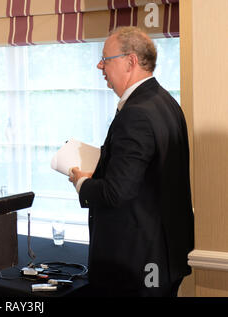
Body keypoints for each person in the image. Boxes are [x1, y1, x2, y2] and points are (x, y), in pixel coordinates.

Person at [68, 26, 194, 297]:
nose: (100, 66)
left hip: (136, 264)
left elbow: (117, 192)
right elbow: (145, 178)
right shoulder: (167, 103)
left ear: (131, 61)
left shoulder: (135, 113)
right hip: (166, 257)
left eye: (106, 58)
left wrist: (82, 183)